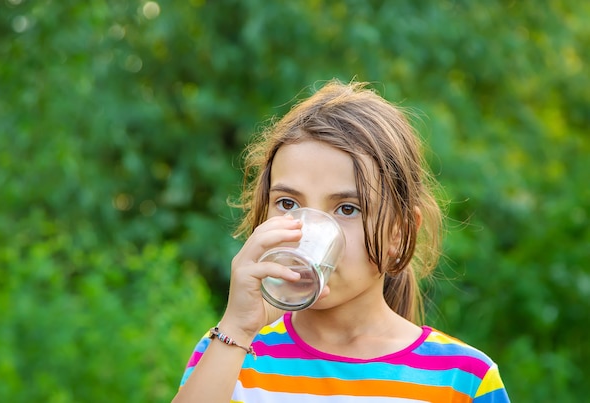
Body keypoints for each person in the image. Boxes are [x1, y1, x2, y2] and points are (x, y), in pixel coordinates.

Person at [172, 80, 510, 402]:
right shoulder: (228, 352)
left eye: (347, 208)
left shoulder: (462, 380)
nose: (308, 231)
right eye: (288, 204)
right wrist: (238, 329)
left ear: (399, 233)